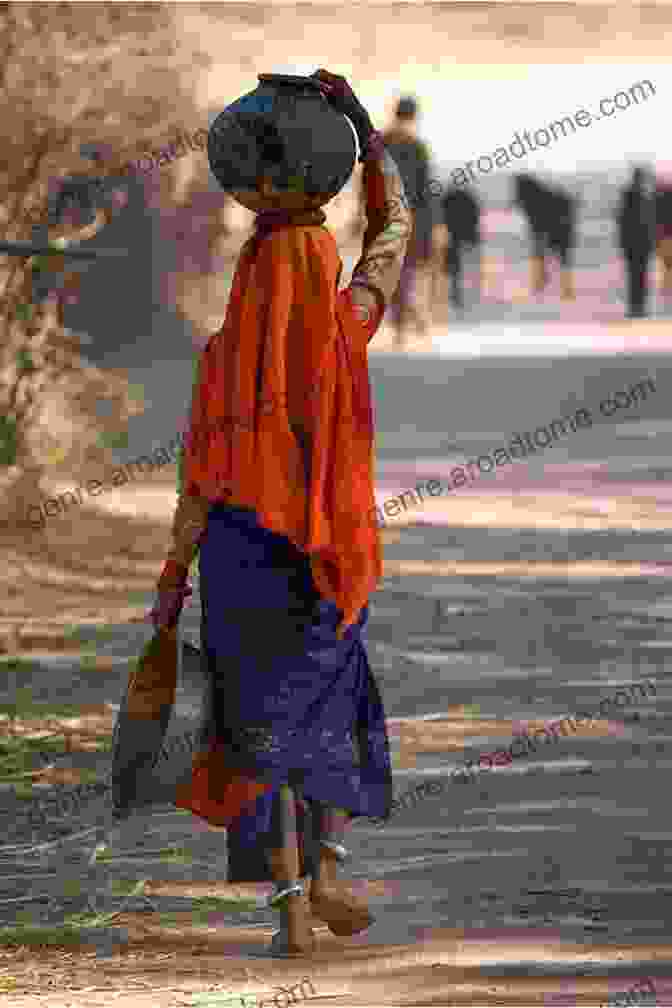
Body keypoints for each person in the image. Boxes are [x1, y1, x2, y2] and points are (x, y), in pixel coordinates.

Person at [148, 68, 411, 956]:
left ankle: (293, 906)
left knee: (254, 723)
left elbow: (196, 478)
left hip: (238, 552)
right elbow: (390, 240)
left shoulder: (222, 355)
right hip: (327, 552)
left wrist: (175, 576)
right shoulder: (349, 324)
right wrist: (368, 142)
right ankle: (331, 865)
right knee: (331, 707)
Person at [378, 95, 436, 346]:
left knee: (389, 271)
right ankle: (406, 321)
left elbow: (368, 181)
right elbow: (426, 189)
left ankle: (406, 319)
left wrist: (362, 213)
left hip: (382, 215)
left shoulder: (380, 143)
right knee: (408, 270)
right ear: (413, 117)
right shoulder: (416, 145)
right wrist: (435, 224)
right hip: (411, 217)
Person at [512, 173, 576, 301]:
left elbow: (535, 220)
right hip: (558, 231)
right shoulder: (538, 197)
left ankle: (545, 282)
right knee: (560, 259)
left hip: (553, 231)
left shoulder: (535, 199)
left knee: (545, 255)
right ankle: (561, 287)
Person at [616, 165, 655, 318]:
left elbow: (623, 221)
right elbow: (627, 222)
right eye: (642, 178)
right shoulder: (639, 196)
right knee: (638, 278)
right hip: (637, 245)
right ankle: (637, 308)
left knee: (637, 278)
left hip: (637, 245)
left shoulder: (637, 196)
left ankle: (637, 308)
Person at [440, 183, 482, 311]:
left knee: (454, 265)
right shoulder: (466, 199)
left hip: (453, 234)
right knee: (456, 266)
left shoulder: (449, 199)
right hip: (458, 233)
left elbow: (441, 215)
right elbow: (475, 215)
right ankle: (456, 293)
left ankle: (454, 293)